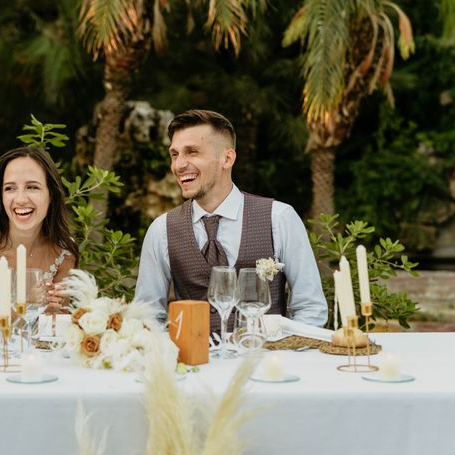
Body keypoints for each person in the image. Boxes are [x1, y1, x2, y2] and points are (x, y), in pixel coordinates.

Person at [134, 109, 327, 331]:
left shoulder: (279, 218)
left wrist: (284, 358)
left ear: (227, 158)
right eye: (175, 154)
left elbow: (310, 309)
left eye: (192, 152)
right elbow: (147, 317)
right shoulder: (161, 230)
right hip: (193, 363)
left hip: (264, 360)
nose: (178, 165)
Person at [0, 146, 78, 332]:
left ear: (51, 194)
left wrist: (53, 310)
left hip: (39, 357)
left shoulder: (64, 252)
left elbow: (55, 326)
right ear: (0, 196)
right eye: (10, 188)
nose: (20, 199)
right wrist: (26, 305)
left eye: (32, 187)